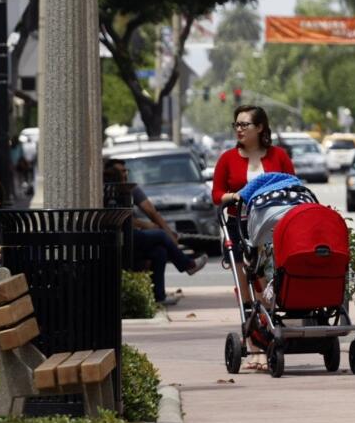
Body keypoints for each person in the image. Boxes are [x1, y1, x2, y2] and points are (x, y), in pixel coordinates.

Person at [211, 105, 295, 363]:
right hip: (239, 224)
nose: (239, 129)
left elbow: (292, 185)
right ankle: (253, 344)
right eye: (236, 124)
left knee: (268, 284)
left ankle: (270, 336)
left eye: (244, 124)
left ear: (259, 128)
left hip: (272, 227)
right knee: (245, 285)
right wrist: (235, 196)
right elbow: (216, 194)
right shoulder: (227, 158)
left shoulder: (278, 156)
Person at [105, 158, 206, 305]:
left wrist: (167, 232)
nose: (124, 174)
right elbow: (115, 218)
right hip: (116, 240)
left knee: (160, 252)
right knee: (160, 235)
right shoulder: (105, 190)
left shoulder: (130, 188)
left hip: (130, 239)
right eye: (120, 172)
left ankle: (159, 298)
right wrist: (148, 226)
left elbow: (151, 211)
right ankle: (187, 265)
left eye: (126, 171)